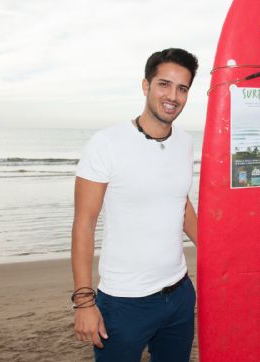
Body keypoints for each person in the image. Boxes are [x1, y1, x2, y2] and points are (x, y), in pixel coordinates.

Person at [71, 48, 199, 361]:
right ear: (146, 86)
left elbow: (181, 205)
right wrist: (85, 302)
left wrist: (217, 255)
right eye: (164, 84)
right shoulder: (107, 143)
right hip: (124, 302)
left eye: (182, 88)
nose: (173, 96)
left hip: (180, 294)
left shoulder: (185, 142)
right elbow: (83, 224)